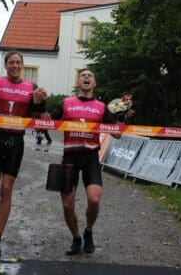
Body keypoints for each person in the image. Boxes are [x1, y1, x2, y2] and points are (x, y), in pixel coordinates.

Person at [0, 51, 48, 259]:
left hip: (15, 142)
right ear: (6, 65)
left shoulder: (31, 87)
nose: (15, 65)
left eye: (19, 63)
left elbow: (39, 116)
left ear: (22, 66)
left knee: (7, 188)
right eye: (12, 62)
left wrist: (40, 102)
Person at [46, 68, 125, 256]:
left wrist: (122, 115)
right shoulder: (66, 102)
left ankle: (88, 231)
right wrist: (41, 108)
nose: (86, 77)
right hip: (70, 156)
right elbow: (48, 122)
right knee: (67, 205)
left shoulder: (101, 106)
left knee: (94, 199)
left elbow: (117, 133)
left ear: (94, 83)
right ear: (78, 82)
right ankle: (76, 238)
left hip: (90, 157)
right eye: (83, 75)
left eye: (90, 76)